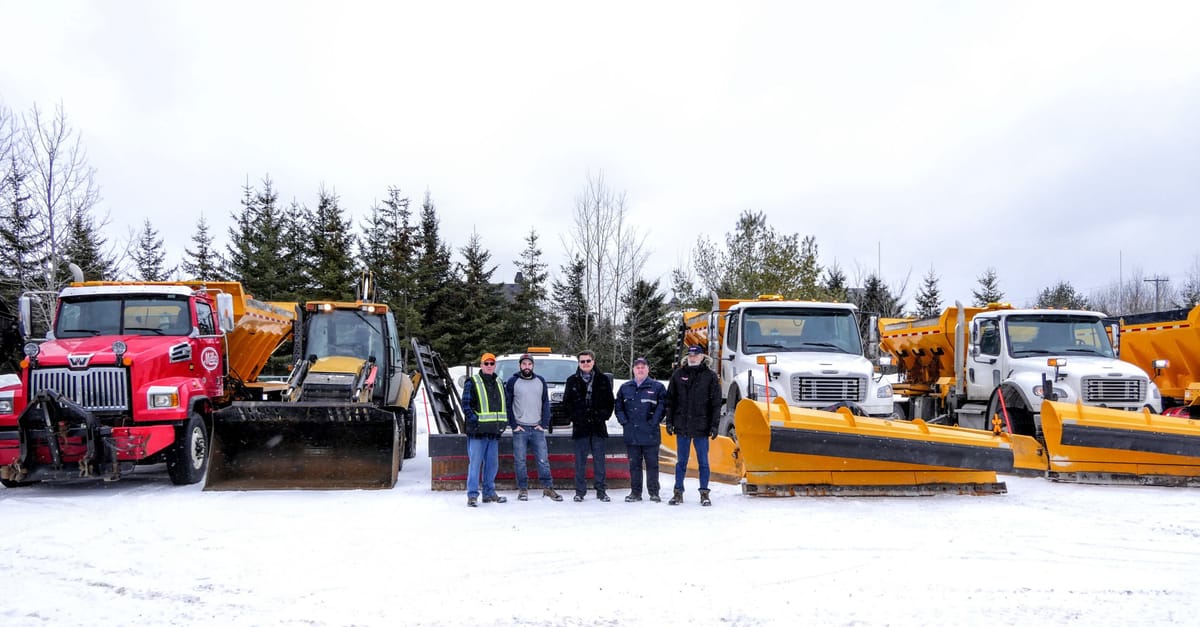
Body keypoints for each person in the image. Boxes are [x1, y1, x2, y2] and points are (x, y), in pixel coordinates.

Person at [664, 345, 721, 506]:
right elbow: (670, 401)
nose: (693, 357)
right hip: (682, 426)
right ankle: (678, 492)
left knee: (703, 462)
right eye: (690, 354)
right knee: (681, 462)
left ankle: (704, 493)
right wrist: (669, 421)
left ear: (702, 356)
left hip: (701, 427)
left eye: (696, 354)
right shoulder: (678, 374)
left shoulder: (710, 376)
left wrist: (714, 425)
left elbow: (715, 404)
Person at [504, 353, 563, 502]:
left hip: (537, 429)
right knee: (520, 461)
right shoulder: (512, 381)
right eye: (524, 364)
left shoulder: (540, 381)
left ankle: (548, 488)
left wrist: (543, 423)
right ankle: (523, 489)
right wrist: (513, 424)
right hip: (520, 429)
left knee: (543, 459)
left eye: (529, 364)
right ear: (520, 366)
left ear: (533, 366)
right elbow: (508, 404)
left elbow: (545, 403)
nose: (527, 367)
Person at [562, 350, 614, 502]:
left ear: (593, 362)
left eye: (588, 361)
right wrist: (575, 417)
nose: (585, 364)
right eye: (582, 361)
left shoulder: (603, 380)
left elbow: (610, 402)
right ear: (578, 363)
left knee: (599, 461)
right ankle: (580, 492)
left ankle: (601, 491)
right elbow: (567, 403)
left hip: (598, 427)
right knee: (580, 462)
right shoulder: (572, 380)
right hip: (581, 427)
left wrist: (602, 416)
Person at [615, 356, 667, 502]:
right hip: (632, 434)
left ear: (648, 369)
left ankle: (654, 492)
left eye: (643, 367)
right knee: (634, 465)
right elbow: (618, 407)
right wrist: (624, 422)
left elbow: (662, 407)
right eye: (637, 367)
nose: (640, 369)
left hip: (650, 434)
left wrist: (653, 422)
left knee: (652, 465)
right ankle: (635, 493)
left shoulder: (657, 387)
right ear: (633, 369)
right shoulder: (625, 388)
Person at [461, 352, 508, 507]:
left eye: (491, 363)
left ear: (495, 366)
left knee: (492, 465)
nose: (489, 366)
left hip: (493, 433)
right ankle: (472, 495)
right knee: (475, 464)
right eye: (486, 363)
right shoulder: (472, 382)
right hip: (477, 433)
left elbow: (505, 404)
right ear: (481, 365)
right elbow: (466, 405)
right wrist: (476, 422)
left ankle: (489, 492)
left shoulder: (499, 383)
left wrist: (502, 423)